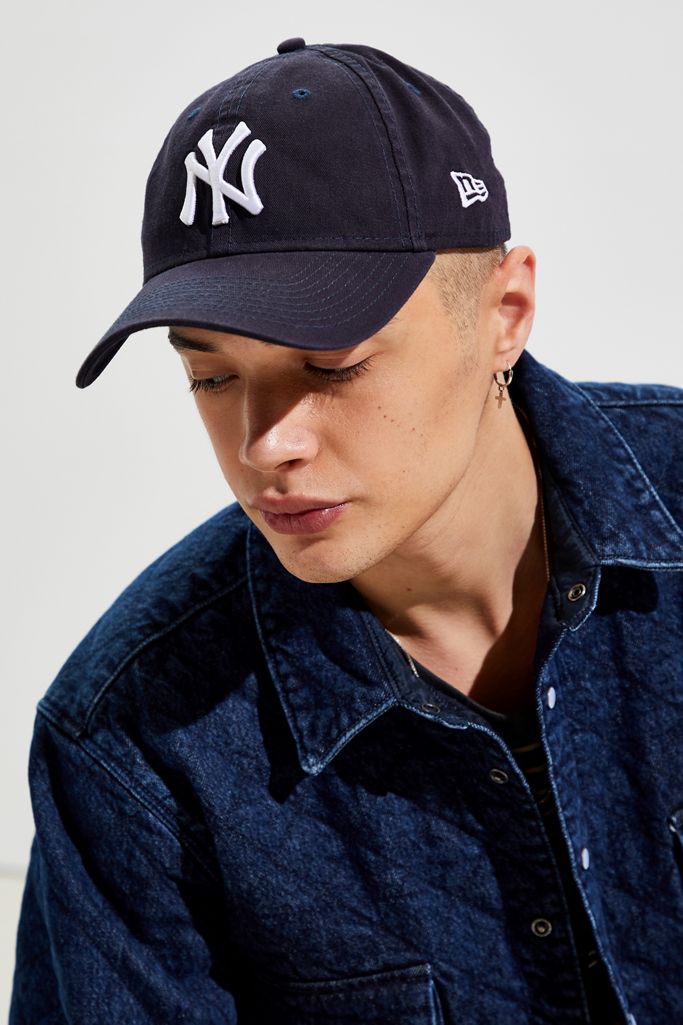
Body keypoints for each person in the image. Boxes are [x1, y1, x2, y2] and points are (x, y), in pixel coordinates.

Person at [9, 36, 682, 1025]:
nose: (265, 443)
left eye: (330, 365)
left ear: (505, 311)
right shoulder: (130, 739)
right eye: (210, 375)